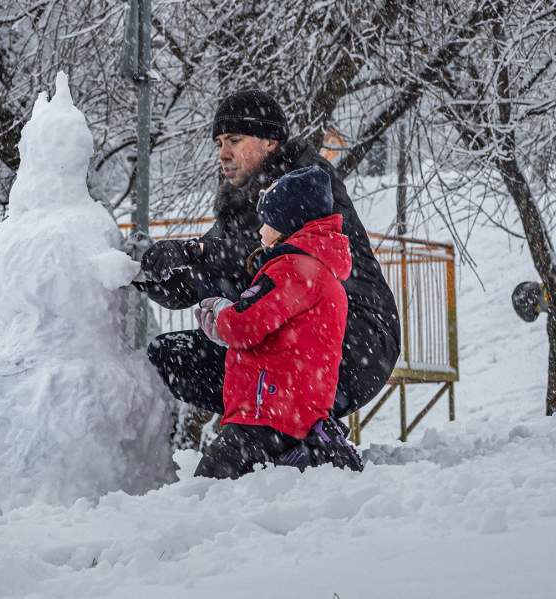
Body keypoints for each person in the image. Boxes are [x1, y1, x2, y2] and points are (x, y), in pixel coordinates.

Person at [134, 89, 401, 432]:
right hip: (292, 347)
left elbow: (282, 257)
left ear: (271, 141)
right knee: (171, 356)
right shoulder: (238, 205)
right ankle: (275, 439)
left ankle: (299, 437)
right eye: (219, 144)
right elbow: (208, 272)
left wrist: (194, 252)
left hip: (357, 342)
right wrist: (153, 275)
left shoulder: (309, 183)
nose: (224, 154)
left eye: (234, 139)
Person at [192, 165, 362, 478]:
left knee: (205, 490)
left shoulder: (293, 269)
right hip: (294, 413)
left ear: (288, 223)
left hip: (266, 414)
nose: (260, 230)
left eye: (267, 221)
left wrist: (218, 313)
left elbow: (245, 324)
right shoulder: (321, 271)